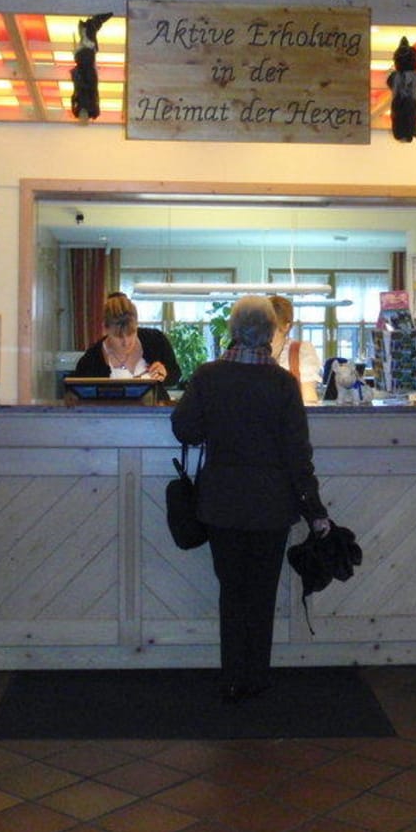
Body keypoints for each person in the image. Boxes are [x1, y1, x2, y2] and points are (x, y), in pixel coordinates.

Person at [171, 295, 330, 703]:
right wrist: (314, 510)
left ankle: (231, 676)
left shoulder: (208, 376)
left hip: (221, 503)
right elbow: (298, 455)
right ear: (272, 332)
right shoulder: (283, 384)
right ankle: (256, 675)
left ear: (233, 330)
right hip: (271, 506)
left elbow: (185, 430)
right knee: (262, 592)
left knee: (231, 591)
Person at [72, 292, 181, 399]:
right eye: (118, 336)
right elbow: (77, 397)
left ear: (137, 324)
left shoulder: (156, 340)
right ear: (105, 329)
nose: (126, 342)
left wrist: (164, 373)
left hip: (156, 411)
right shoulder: (90, 360)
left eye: (131, 333)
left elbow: (175, 376)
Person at [269, 294, 323, 405]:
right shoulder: (254, 351)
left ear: (286, 326)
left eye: (272, 327)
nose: (266, 333)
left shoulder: (299, 352)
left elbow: (309, 399)